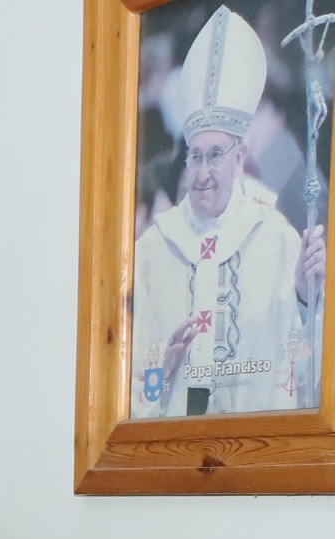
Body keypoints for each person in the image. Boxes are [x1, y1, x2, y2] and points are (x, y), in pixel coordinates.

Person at [133, 4, 326, 418]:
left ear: (240, 159)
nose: (202, 173)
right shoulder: (152, 250)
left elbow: (300, 366)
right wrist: (161, 372)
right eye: (194, 156)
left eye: (215, 156)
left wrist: (304, 298)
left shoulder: (277, 240)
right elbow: (129, 385)